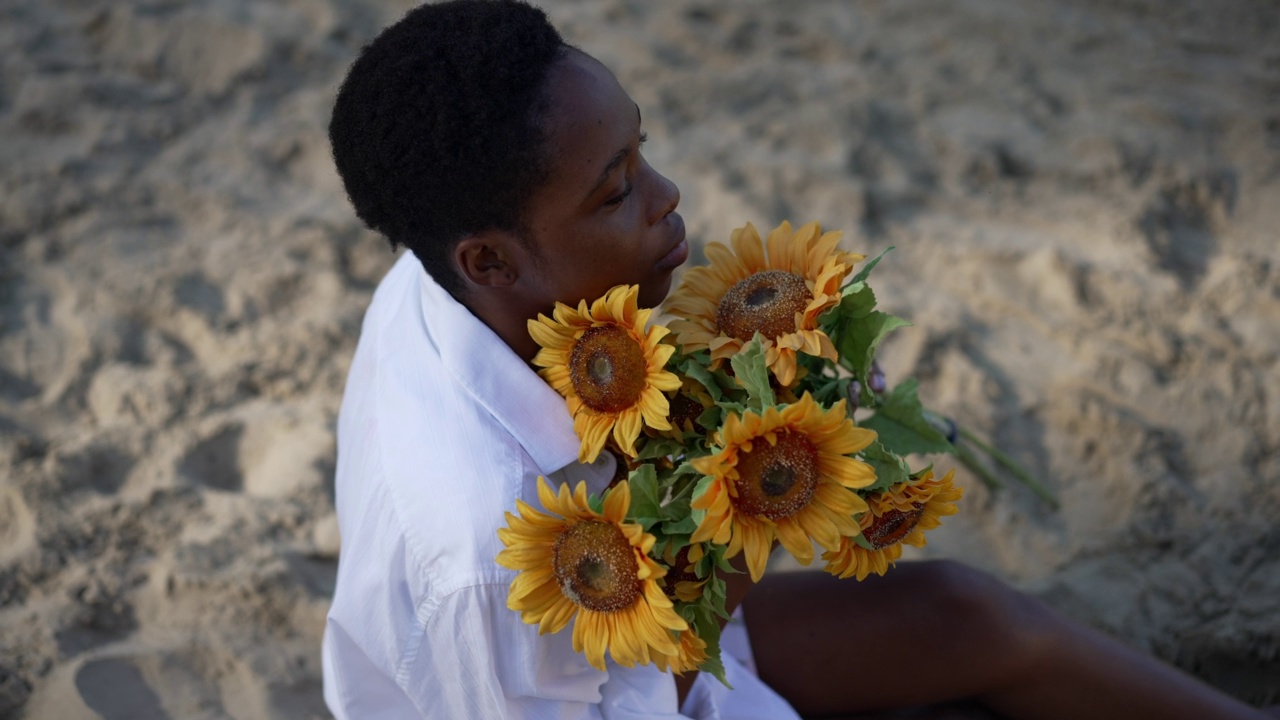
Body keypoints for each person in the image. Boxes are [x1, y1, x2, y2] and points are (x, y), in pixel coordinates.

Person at [321, 2, 1275, 718]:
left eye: (642, 152)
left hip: (627, 648)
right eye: (615, 194)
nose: (667, 195)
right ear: (490, 259)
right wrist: (763, 504)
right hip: (600, 688)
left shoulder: (450, 273)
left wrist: (754, 393)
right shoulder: (485, 558)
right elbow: (641, 685)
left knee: (969, 617)